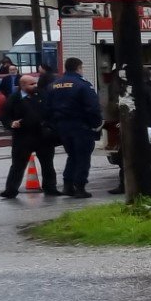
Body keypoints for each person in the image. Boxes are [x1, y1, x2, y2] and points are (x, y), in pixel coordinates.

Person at [45, 57, 101, 199]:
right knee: (82, 157)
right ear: (78, 68)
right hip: (81, 126)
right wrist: (95, 124)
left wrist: (54, 124)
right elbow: (93, 107)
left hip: (62, 127)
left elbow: (47, 108)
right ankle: (80, 187)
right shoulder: (83, 85)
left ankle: (67, 185)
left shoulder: (54, 85)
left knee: (72, 156)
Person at [1, 74, 57, 199]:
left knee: (48, 164)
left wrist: (50, 127)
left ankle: (50, 187)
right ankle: (11, 190)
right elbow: (5, 116)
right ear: (23, 85)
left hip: (42, 136)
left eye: (35, 83)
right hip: (23, 137)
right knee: (18, 165)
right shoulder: (14, 98)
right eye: (32, 84)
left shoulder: (41, 95)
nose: (35, 86)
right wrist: (11, 123)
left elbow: (50, 111)